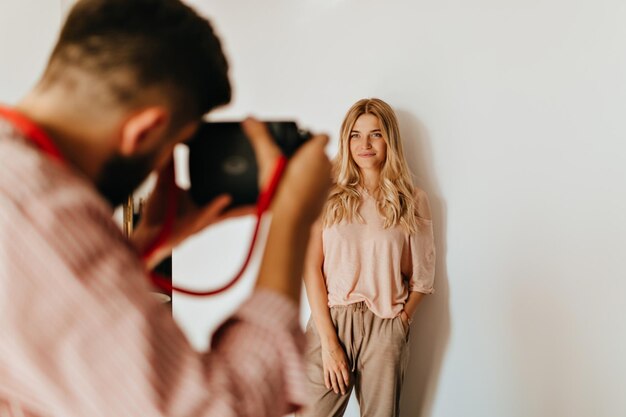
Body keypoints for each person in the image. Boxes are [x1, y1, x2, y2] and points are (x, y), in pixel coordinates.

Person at [0, 1, 331, 416]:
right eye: (173, 146)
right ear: (145, 130)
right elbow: (216, 411)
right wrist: (292, 219)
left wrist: (139, 249)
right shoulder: (40, 215)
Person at [298, 98, 436, 417]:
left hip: (385, 324)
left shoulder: (413, 200)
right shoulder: (327, 194)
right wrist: (330, 344)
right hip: (331, 319)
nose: (365, 144)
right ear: (346, 141)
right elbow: (311, 268)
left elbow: (423, 277)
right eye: (355, 135)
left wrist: (399, 324)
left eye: (375, 134)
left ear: (389, 139)